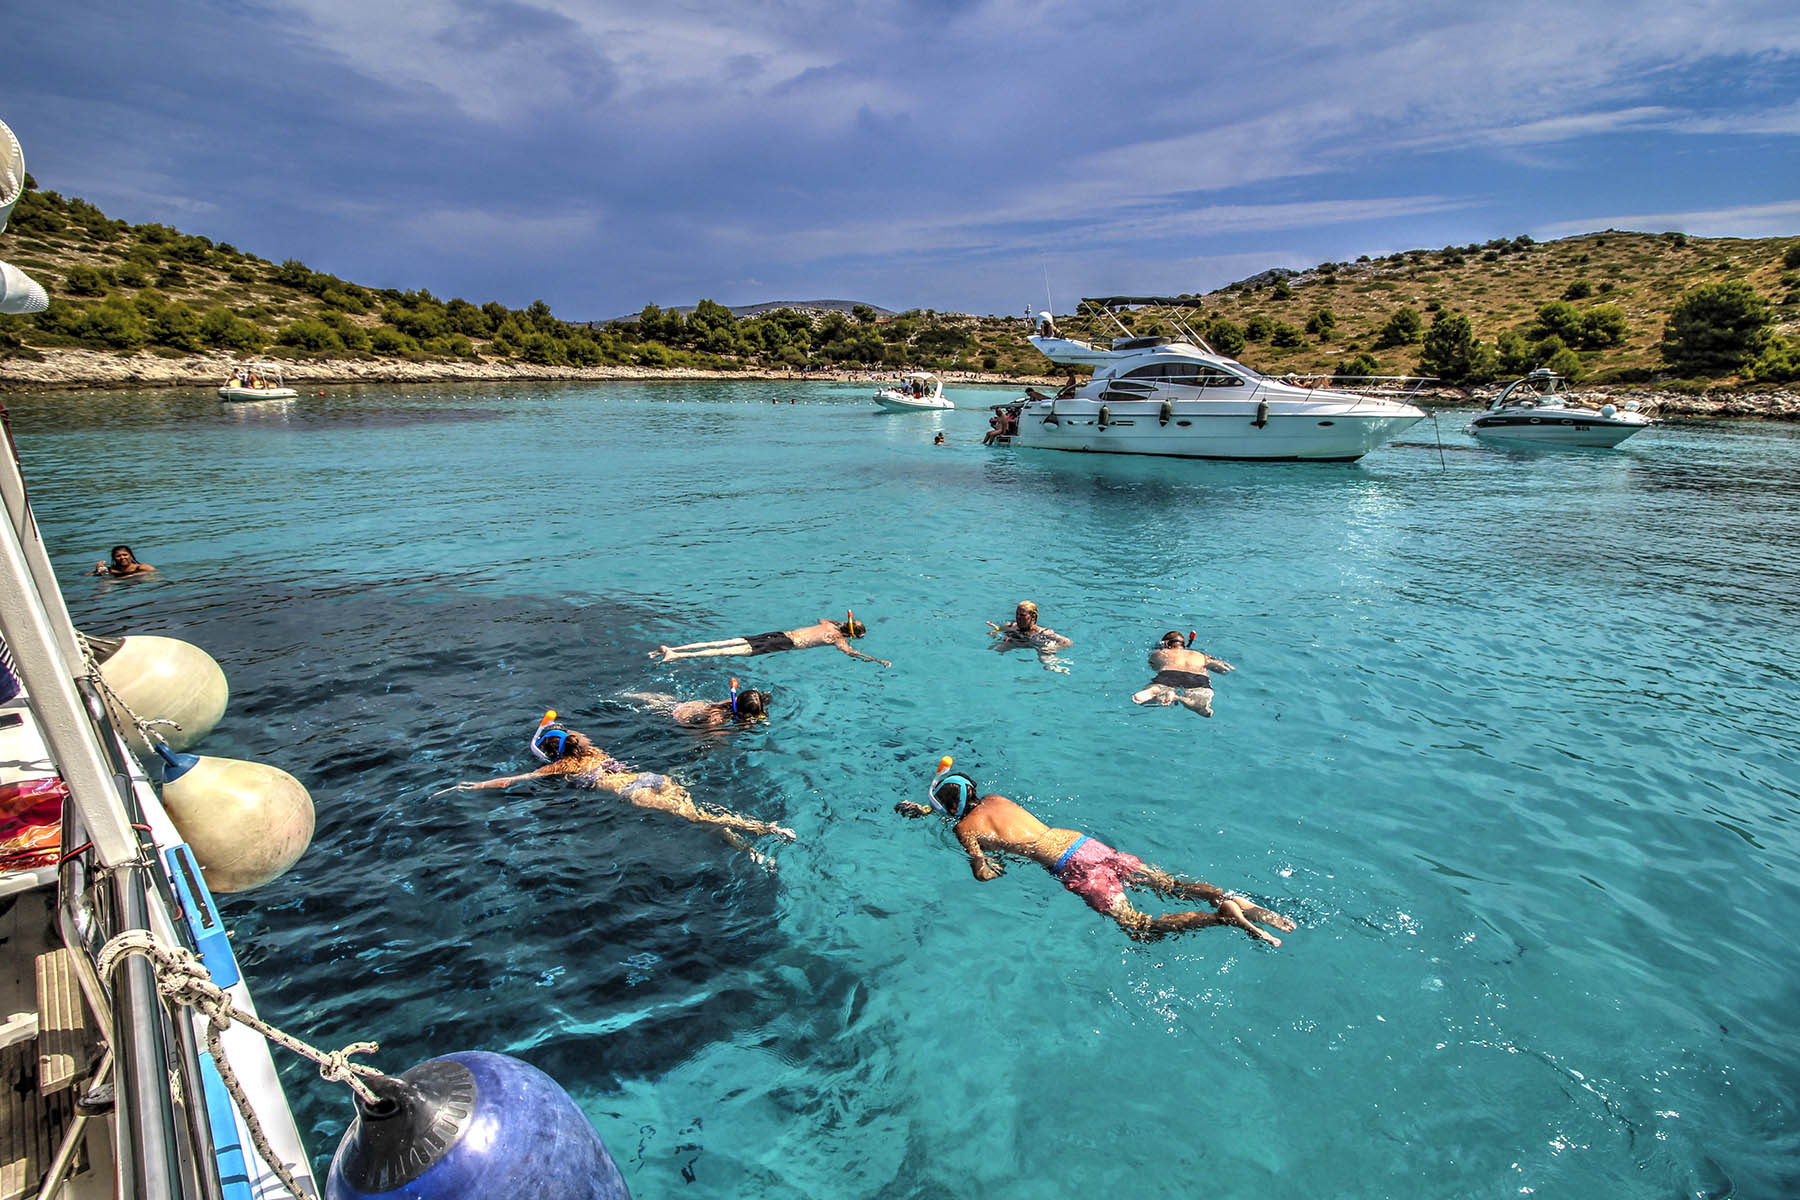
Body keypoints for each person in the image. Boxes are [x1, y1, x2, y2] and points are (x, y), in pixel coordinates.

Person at [895, 758, 1293, 945]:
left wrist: (983, 865)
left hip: (1070, 867)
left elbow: (980, 868)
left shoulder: (965, 828)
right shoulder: (996, 798)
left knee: (1139, 926)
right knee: (1170, 884)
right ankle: (1225, 895)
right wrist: (933, 807)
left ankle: (1222, 919)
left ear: (951, 808)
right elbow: (968, 808)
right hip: (1082, 843)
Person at [440, 711, 794, 857]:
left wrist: (471, 786)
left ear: (553, 754)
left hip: (634, 793)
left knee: (700, 818)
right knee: (698, 815)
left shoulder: (561, 766)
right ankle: (751, 851)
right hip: (652, 778)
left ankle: (767, 828)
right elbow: (564, 737)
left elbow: (510, 781)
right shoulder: (592, 749)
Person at [650, 614, 889, 666]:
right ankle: (677, 655)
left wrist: (841, 621)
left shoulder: (829, 625)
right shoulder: (836, 638)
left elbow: (821, 616)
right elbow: (851, 653)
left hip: (779, 633)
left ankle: (673, 648)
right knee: (728, 652)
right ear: (852, 634)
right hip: (784, 644)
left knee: (728, 641)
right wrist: (877, 660)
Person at [1132, 630, 1234, 717]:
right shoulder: (1201, 656)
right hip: (1198, 678)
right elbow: (1223, 669)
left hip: (1169, 674)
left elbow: (1154, 667)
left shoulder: (1159, 653)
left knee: (1146, 699)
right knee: (1202, 706)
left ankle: (1158, 690)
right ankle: (1181, 699)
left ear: (1166, 644)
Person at [622, 679, 773, 730]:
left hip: (693, 705)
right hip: (682, 717)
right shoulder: (718, 718)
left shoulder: (731, 701)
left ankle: (628, 694)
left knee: (662, 701)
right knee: (659, 707)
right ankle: (624, 698)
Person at [987, 600, 1072, 673]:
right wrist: (994, 633)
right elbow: (997, 630)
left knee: (1045, 661)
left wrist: (1053, 648)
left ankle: (1060, 665)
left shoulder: (1044, 632)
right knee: (997, 649)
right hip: (1019, 643)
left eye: (1022, 615)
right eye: (1017, 614)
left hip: (1038, 644)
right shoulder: (1011, 626)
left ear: (1033, 617)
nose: (1018, 617)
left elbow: (1067, 642)